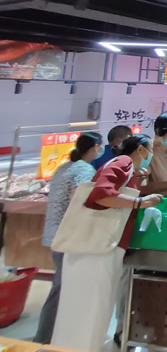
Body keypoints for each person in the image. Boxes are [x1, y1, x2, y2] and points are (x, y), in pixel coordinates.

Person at [52, 135, 162, 352]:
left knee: (83, 308)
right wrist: (139, 202)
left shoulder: (128, 168)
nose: (151, 154)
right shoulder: (124, 162)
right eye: (150, 149)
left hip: (94, 247)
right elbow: (100, 195)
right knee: (92, 308)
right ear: (140, 150)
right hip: (98, 247)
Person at [35, 132, 104, 344]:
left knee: (62, 285)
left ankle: (51, 336)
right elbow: (79, 200)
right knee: (62, 288)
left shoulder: (64, 167)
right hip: (68, 235)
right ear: (95, 147)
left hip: (55, 234)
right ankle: (45, 338)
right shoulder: (84, 169)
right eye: (100, 146)